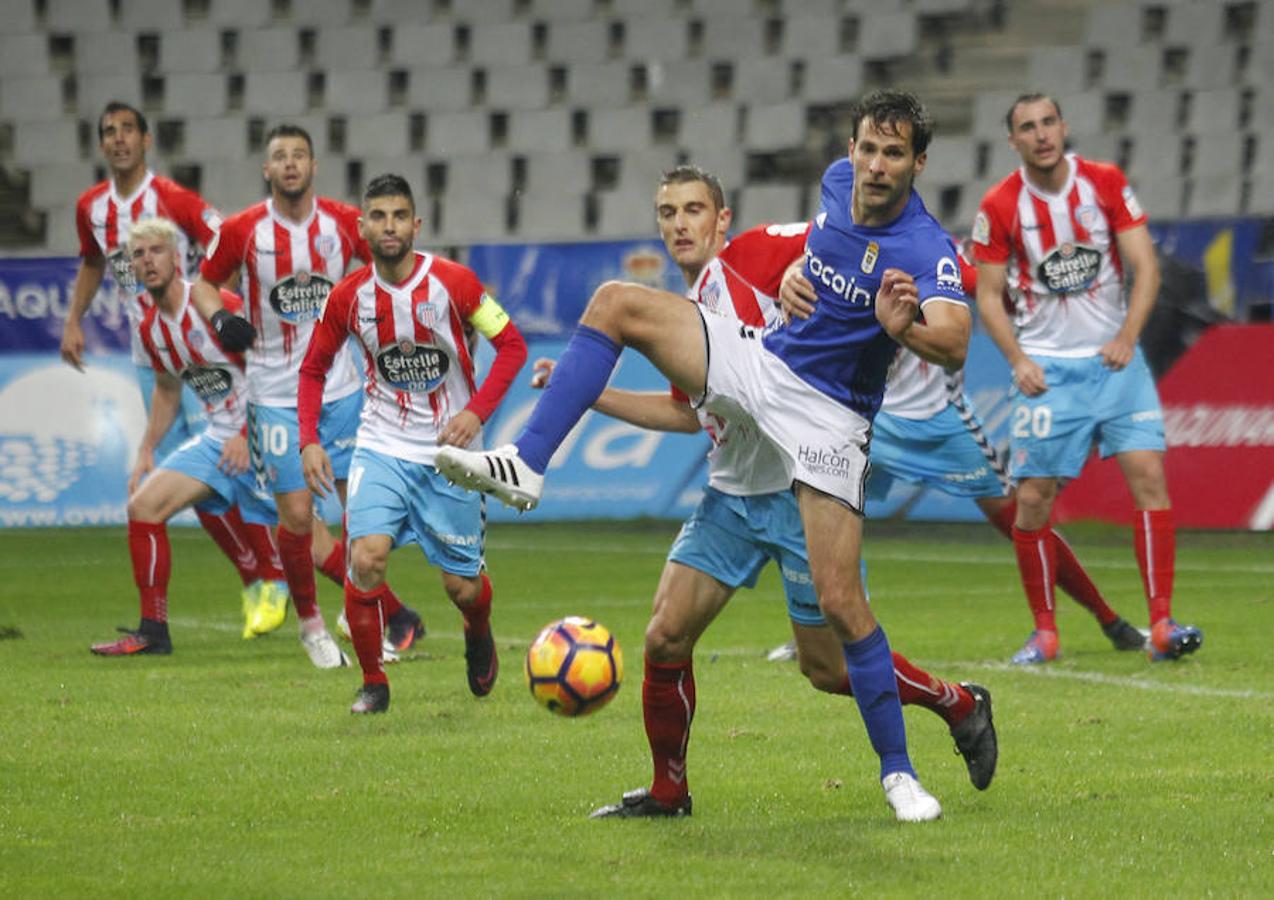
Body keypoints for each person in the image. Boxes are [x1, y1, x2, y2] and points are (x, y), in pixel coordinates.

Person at [438, 90, 969, 822]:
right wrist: (796, 281)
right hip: (766, 378)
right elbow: (802, 263)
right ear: (850, 151)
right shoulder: (835, 189)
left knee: (839, 617)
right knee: (616, 302)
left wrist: (899, 327)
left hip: (828, 419)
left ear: (918, 163)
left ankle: (902, 773)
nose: (876, 166)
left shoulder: (925, 248)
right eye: (867, 149)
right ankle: (528, 463)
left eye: (894, 153)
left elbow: (954, 340)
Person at [777, 246, 1149, 664]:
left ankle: (1109, 620)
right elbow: (803, 260)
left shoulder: (938, 253)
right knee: (813, 512)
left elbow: (994, 292)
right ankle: (820, 633)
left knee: (1020, 518)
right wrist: (793, 272)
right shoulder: (851, 239)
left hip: (940, 421)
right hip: (866, 416)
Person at [972, 93, 1201, 663]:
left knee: (1149, 476)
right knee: (1032, 501)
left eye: (1049, 122)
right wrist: (1018, 360)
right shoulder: (1000, 205)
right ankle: (1045, 633)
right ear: (1014, 141)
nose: (1041, 134)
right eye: (1027, 126)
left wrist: (1128, 336)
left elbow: (1145, 265)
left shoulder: (1103, 182)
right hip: (1049, 373)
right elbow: (988, 295)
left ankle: (1162, 624)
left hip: (1116, 365)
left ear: (1063, 127)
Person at [191, 124, 423, 669]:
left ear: (314, 166)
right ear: (266, 170)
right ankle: (312, 626)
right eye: (279, 156)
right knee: (297, 517)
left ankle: (358, 615)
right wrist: (220, 316)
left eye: (299, 154)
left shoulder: (345, 224)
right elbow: (202, 284)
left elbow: (390, 268)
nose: (290, 163)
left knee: (361, 515)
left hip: (341, 388)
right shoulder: (243, 230)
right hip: (274, 394)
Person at [298, 174, 527, 713]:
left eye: (399, 215)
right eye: (378, 216)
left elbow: (512, 345)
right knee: (366, 557)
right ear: (362, 228)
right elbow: (313, 369)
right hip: (380, 446)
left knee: (462, 589)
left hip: (450, 458)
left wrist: (474, 413)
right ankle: (375, 683)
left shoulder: (456, 283)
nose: (389, 226)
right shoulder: (348, 297)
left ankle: (478, 630)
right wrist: (309, 440)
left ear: (416, 225)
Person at [62, 101, 275, 627]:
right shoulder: (92, 207)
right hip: (151, 353)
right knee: (187, 470)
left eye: (127, 130)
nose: (118, 140)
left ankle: (270, 571)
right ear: (101, 144)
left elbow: (226, 241)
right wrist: (73, 320)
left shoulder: (173, 200)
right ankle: (257, 576)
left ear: (146, 139)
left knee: (232, 459)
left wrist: (212, 310)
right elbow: (92, 262)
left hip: (200, 344)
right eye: (108, 132)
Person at [90, 219, 286, 655]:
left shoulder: (214, 303)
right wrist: (145, 450)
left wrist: (243, 430)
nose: (148, 261)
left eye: (156, 250)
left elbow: (270, 363)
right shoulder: (152, 330)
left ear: (176, 257)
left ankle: (395, 613)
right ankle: (153, 631)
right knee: (144, 507)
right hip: (220, 441)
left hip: (265, 432)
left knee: (309, 542)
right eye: (138, 255)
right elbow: (166, 390)